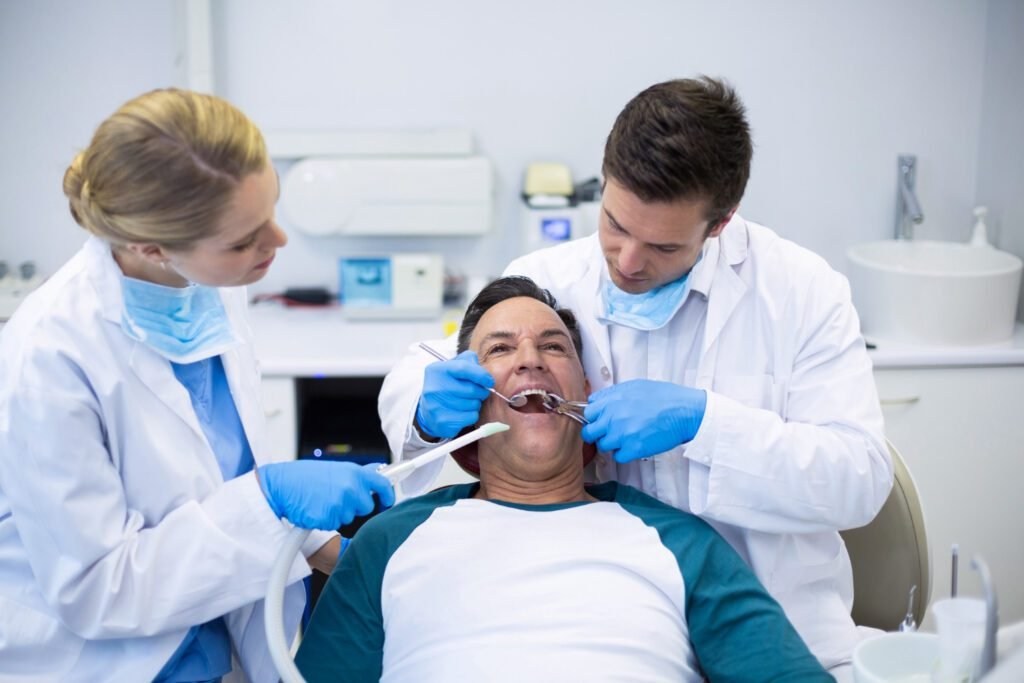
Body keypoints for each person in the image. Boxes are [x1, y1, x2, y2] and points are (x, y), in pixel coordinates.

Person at [378, 76, 891, 675]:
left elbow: (860, 479)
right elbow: (434, 362)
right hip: (619, 623)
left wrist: (706, 424)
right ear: (604, 182)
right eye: (615, 225)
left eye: (663, 247)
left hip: (776, 626)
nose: (627, 262)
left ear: (720, 223)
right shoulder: (548, 277)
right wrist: (423, 409)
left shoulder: (801, 293)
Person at [0, 88, 394, 682]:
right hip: (107, 660)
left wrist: (335, 550)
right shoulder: (50, 356)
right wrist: (268, 500)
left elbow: (213, 475)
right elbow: (99, 589)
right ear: (151, 248)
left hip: (212, 630)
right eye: (243, 240)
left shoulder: (206, 289)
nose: (278, 242)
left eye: (271, 209)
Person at [298, 276, 832, 682]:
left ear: (587, 393)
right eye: (500, 349)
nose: (530, 360)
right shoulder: (390, 541)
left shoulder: (680, 542)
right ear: (466, 404)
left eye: (554, 346)